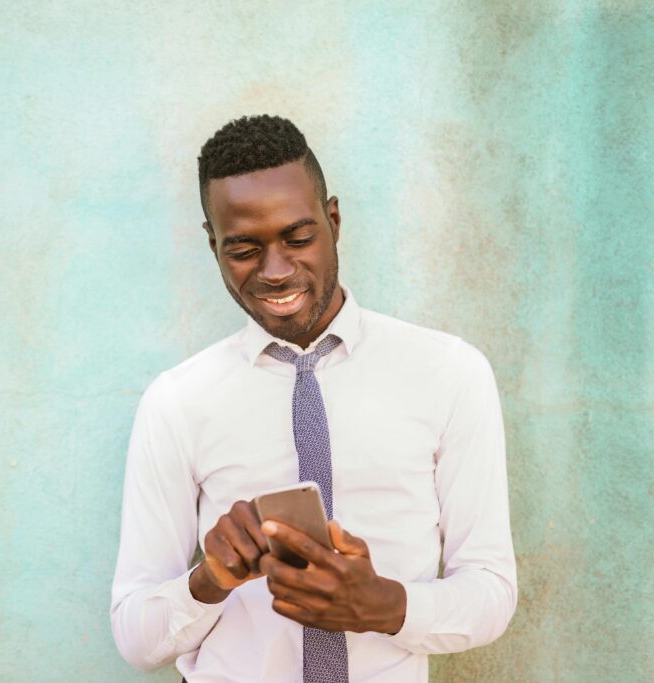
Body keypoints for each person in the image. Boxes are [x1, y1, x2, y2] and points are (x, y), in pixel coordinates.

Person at [110, 114, 517, 683]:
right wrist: (210, 580)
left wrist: (384, 605)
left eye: (298, 239)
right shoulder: (177, 402)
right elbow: (136, 637)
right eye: (243, 249)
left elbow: (491, 591)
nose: (276, 271)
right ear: (213, 244)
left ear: (333, 221)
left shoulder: (449, 373)